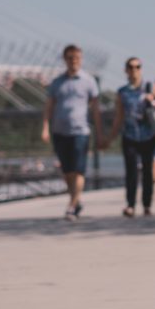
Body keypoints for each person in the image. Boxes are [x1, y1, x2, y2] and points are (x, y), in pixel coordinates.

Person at [41, 44, 103, 221]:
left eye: (76, 58)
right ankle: (75, 201)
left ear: (80, 59)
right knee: (67, 171)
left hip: (80, 131)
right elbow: (49, 106)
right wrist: (45, 127)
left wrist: (99, 133)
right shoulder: (57, 82)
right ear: (65, 59)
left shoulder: (89, 81)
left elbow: (96, 109)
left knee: (79, 170)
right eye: (70, 58)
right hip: (60, 131)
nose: (73, 61)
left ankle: (71, 206)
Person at [105, 57, 155, 217]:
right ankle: (130, 204)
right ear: (125, 70)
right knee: (130, 171)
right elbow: (118, 117)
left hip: (148, 136)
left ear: (141, 69)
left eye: (137, 67)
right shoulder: (122, 92)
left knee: (147, 171)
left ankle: (147, 204)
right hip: (129, 135)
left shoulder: (150, 86)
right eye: (131, 67)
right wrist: (110, 137)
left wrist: (154, 102)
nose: (134, 70)